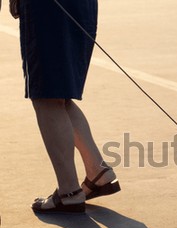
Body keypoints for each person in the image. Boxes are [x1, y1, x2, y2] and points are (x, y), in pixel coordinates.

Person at [9, 0, 120, 214]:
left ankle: (69, 191)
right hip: (81, 5)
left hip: (49, 9)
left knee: (47, 97)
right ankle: (98, 172)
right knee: (60, 94)